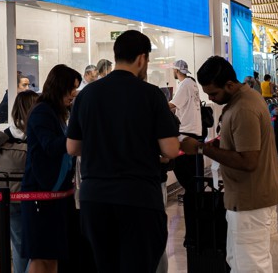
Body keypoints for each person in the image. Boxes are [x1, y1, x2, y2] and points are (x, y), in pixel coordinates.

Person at [67, 30, 181, 272]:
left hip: (94, 198)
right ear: (142, 59)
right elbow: (170, 148)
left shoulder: (87, 95)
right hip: (137, 198)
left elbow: (73, 147)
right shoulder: (151, 94)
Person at [181, 56, 278, 272]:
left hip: (251, 199)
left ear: (229, 84)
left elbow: (249, 160)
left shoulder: (243, 109)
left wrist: (202, 148)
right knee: (239, 261)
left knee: (250, 265)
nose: (211, 98)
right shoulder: (244, 99)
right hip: (244, 198)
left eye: (214, 93)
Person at [21, 64, 81, 273]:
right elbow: (50, 145)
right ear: (59, 87)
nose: (74, 93)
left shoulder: (57, 113)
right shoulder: (42, 112)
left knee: (53, 256)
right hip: (40, 196)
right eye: (71, 87)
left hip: (57, 196)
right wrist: (75, 140)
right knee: (40, 257)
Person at [0, 90, 39, 273]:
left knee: (17, 242)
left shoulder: (6, 133)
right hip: (33, 195)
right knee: (37, 245)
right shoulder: (36, 131)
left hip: (8, 193)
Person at [169, 59, 203, 194]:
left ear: (176, 71)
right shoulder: (192, 83)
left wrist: (156, 107)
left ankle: (192, 194)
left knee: (181, 166)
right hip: (194, 130)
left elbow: (172, 104)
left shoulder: (185, 85)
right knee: (191, 170)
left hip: (186, 131)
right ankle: (194, 194)